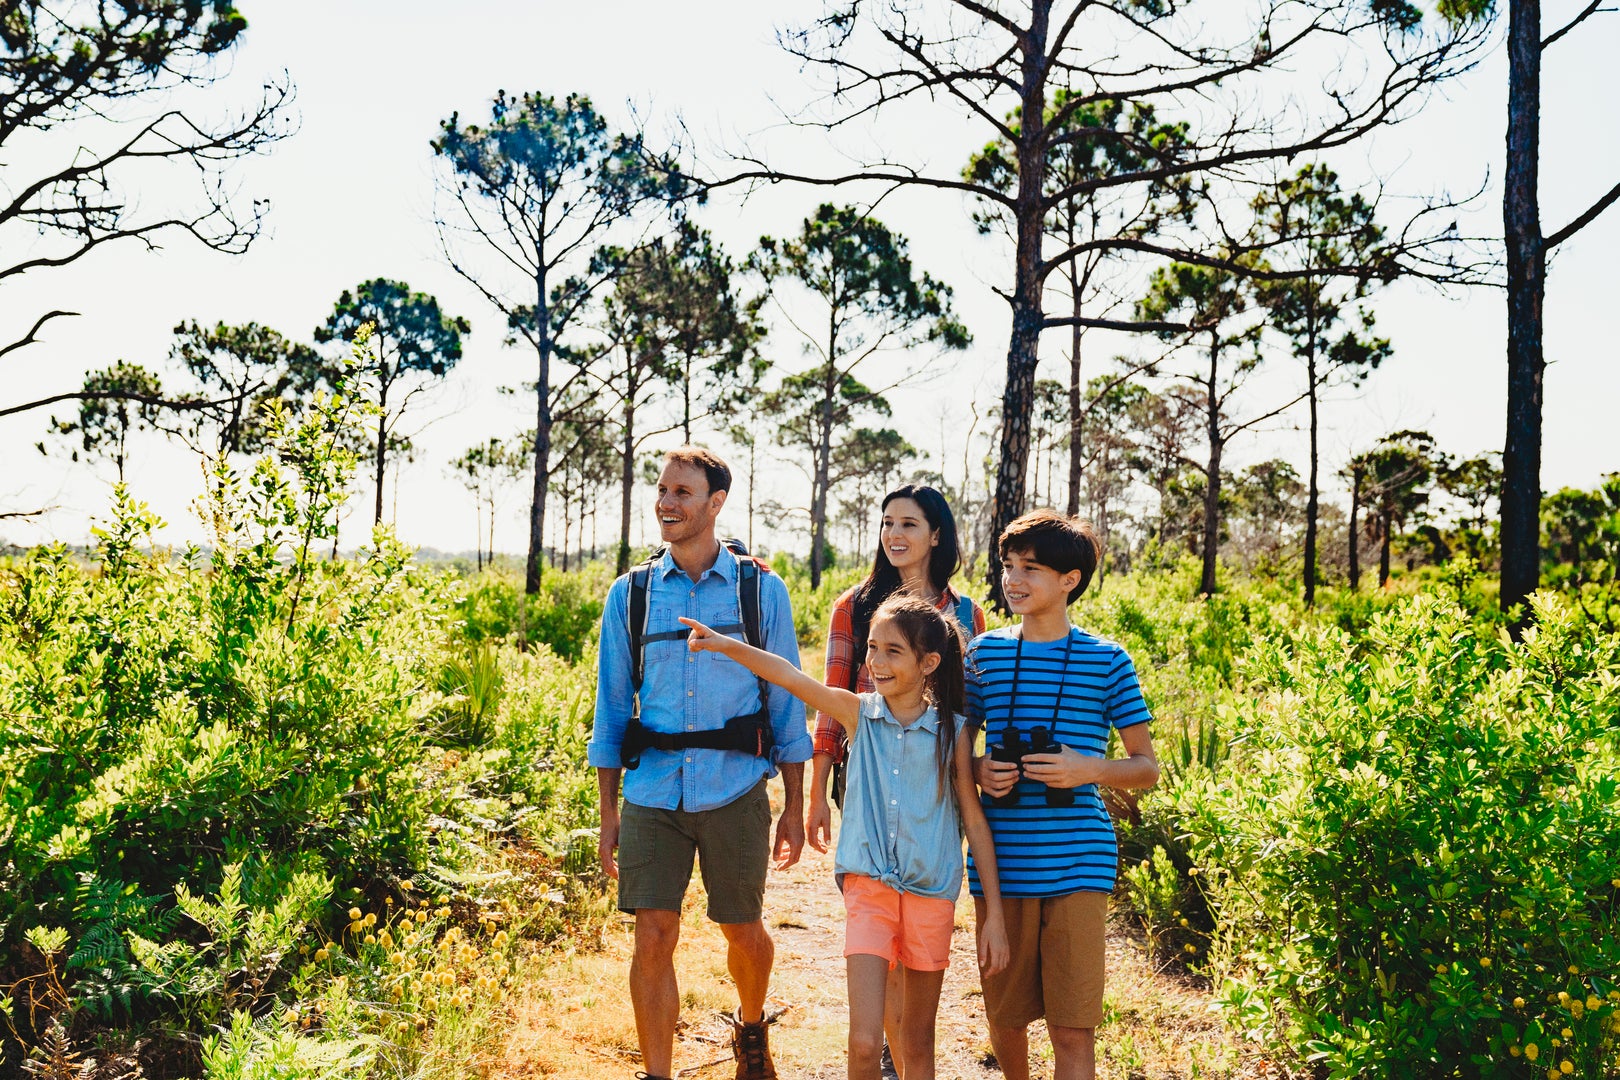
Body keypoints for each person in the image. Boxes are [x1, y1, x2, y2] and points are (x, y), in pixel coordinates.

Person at [680, 593, 1009, 1080]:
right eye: (872, 648)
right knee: (861, 1042)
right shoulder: (858, 713)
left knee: (916, 1045)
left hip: (930, 895)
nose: (875, 661)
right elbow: (791, 676)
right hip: (869, 889)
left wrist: (995, 916)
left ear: (929, 662)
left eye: (892, 651)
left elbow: (975, 822)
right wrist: (727, 645)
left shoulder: (953, 732)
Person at [588, 446, 813, 1080]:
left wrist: (795, 806)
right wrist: (609, 814)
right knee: (653, 934)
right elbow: (610, 711)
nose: (667, 502)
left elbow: (787, 701)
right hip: (653, 793)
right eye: (662, 490)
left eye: (683, 492)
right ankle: (657, 1072)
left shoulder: (759, 589)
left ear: (716, 503)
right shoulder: (629, 596)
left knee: (742, 930)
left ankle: (750, 1026)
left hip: (735, 790)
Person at [967, 509, 1160, 1080]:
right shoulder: (983, 654)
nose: (1014, 580)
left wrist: (1086, 769)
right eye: (1007, 566)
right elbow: (954, 754)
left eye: (1031, 568)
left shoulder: (1108, 660)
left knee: (1072, 1027)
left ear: (1070, 580)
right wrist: (980, 768)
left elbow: (1146, 767)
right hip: (1000, 865)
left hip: (1079, 862)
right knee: (1004, 1017)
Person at [806, 485, 986, 1078]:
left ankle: (900, 1052)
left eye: (908, 523)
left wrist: (973, 773)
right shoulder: (855, 607)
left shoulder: (966, 615)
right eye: (886, 523)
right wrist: (816, 792)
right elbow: (833, 700)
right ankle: (885, 1049)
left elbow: (970, 712)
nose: (894, 534)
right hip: (868, 769)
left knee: (915, 1006)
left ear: (937, 534)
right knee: (878, 966)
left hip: (932, 786)